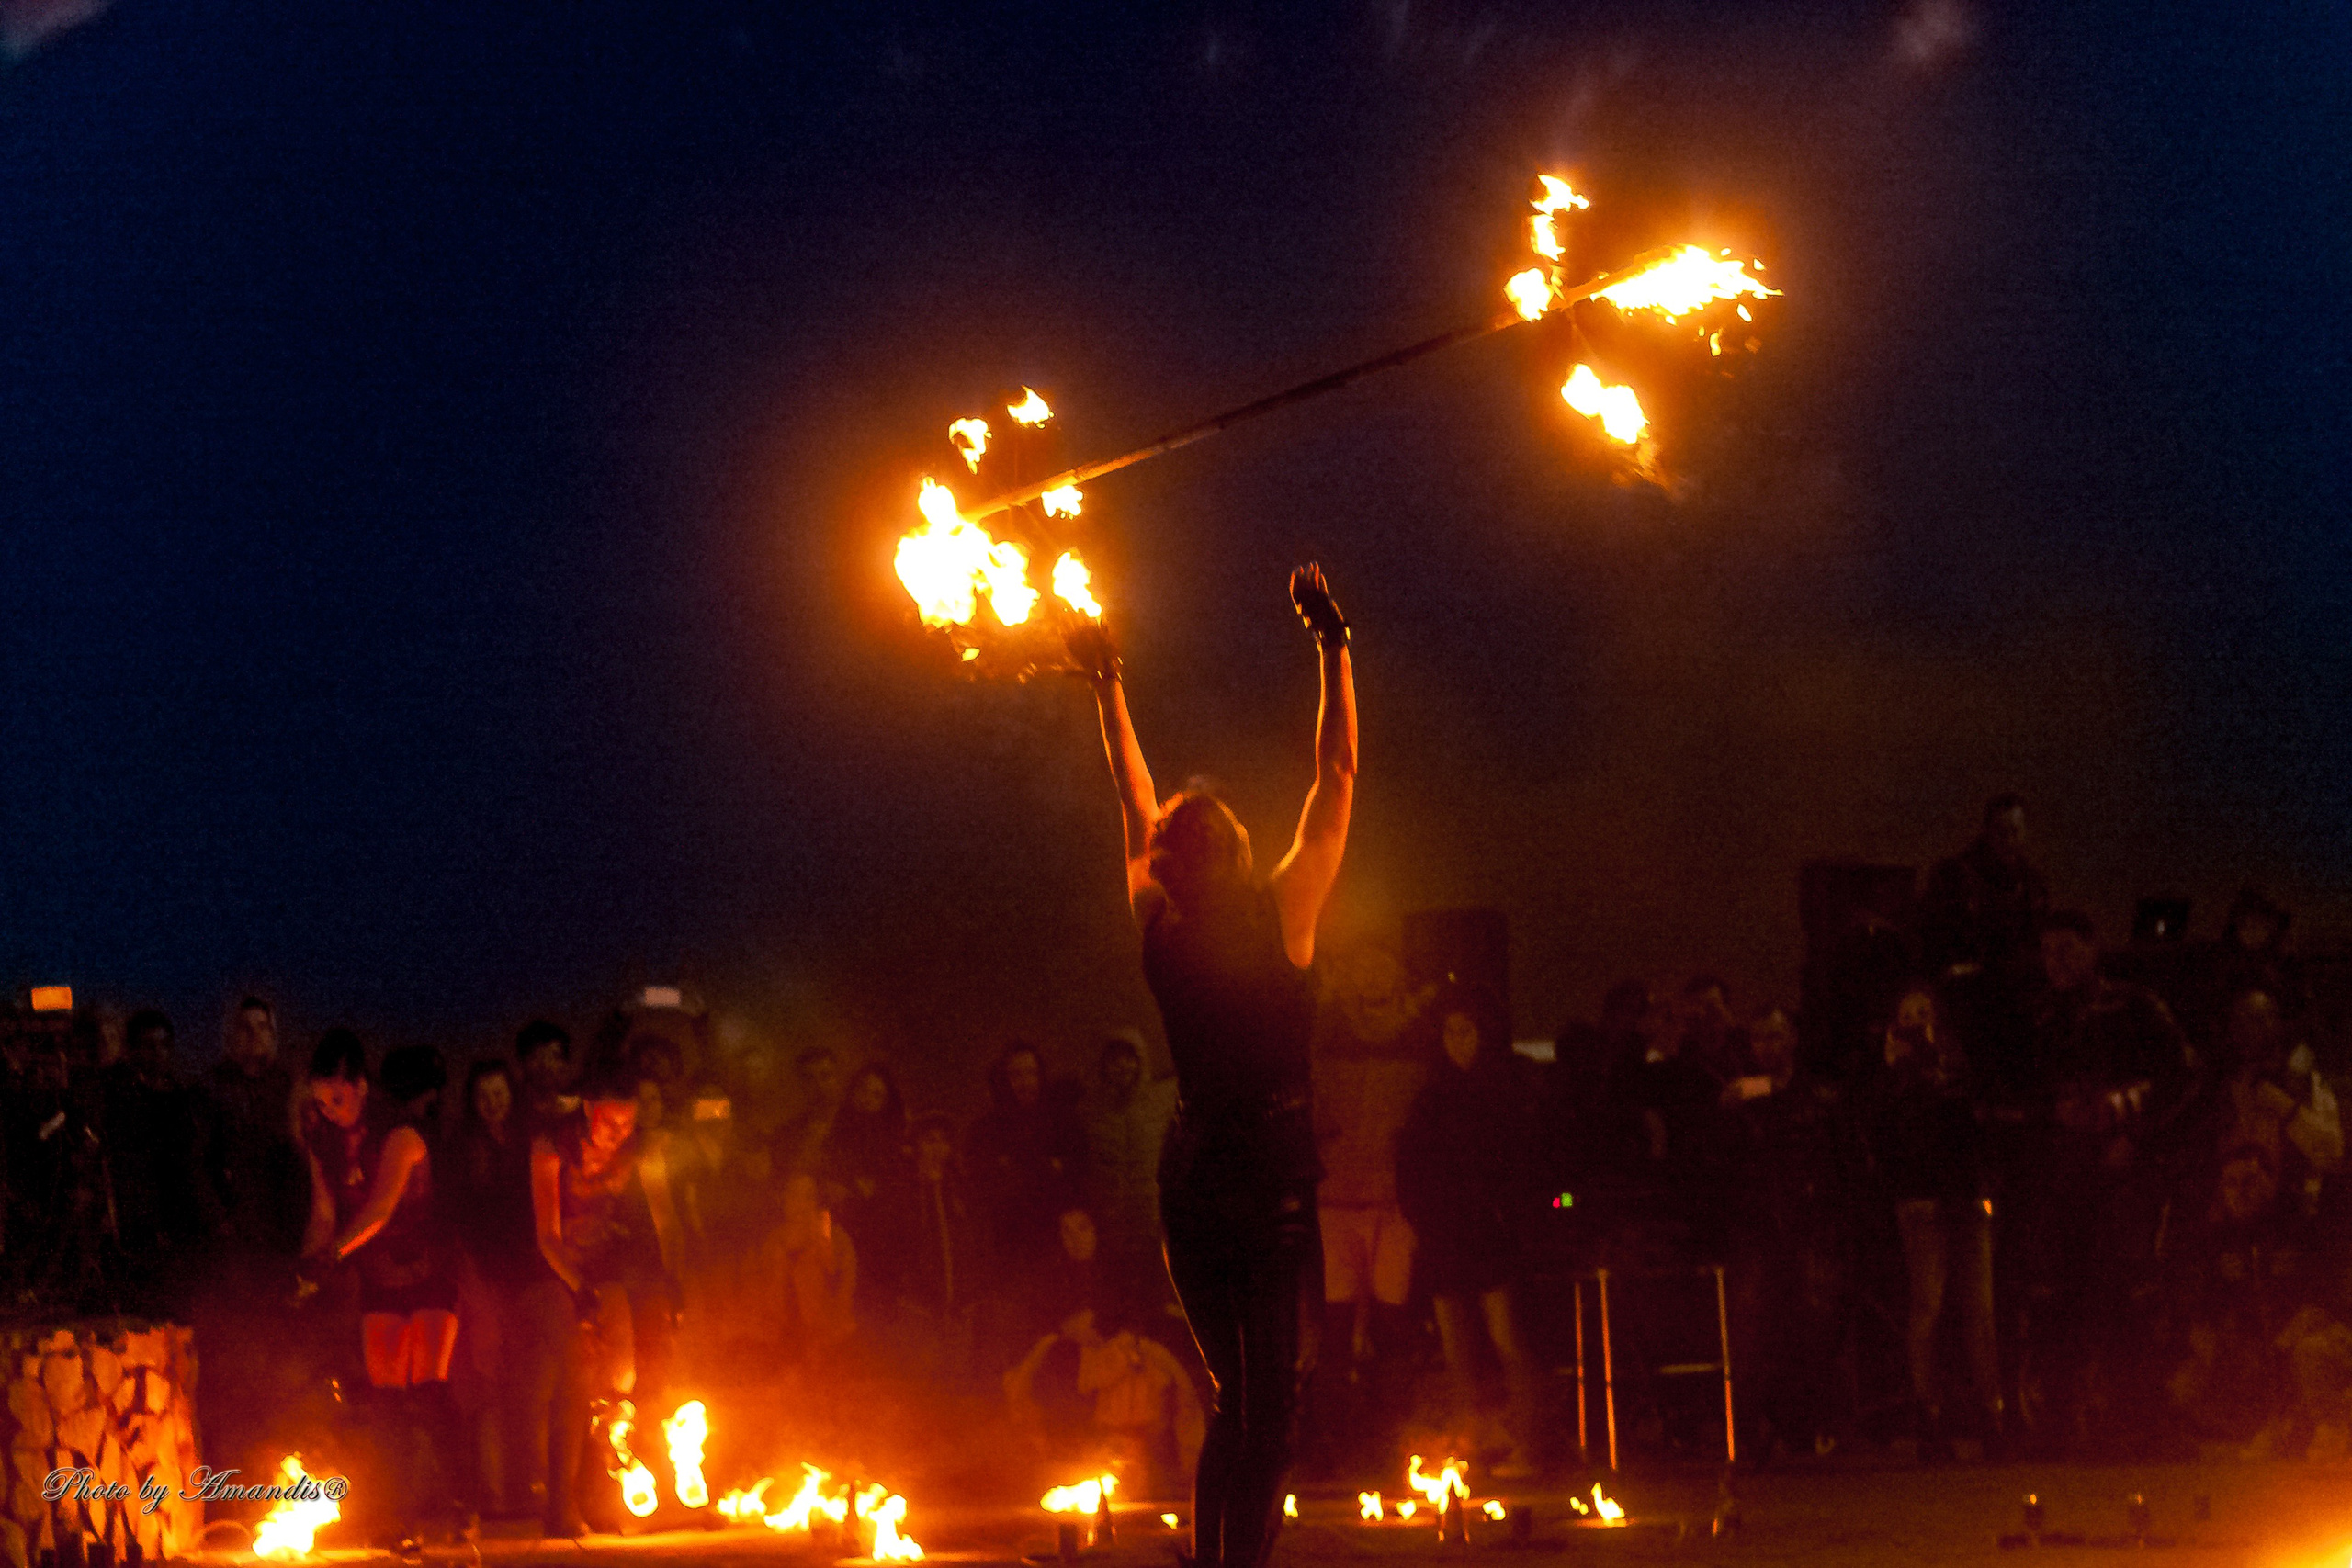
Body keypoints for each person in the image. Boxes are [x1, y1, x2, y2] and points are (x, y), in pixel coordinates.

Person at [1069, 561, 1354, 1568]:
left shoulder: (1158, 924)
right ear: (1223, 850)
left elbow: (1128, 790)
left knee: (1249, 1397)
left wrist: (1107, 685)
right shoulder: (1284, 913)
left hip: (1193, 1180)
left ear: (1170, 860)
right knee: (1264, 1405)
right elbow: (1336, 781)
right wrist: (1333, 647)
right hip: (1262, 1183)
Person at [299, 1033, 467, 1548]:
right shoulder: (322, 1142)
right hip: (378, 1275)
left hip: (429, 1265)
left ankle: (459, 1504)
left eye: (339, 1099)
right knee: (387, 1400)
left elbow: (380, 1208)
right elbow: (327, 1213)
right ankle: (399, 1516)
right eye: (322, 1102)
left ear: (363, 1088)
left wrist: (336, 1254)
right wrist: (307, 1267)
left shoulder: (399, 1134)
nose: (330, 1111)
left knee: (430, 1389)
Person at [525, 1061, 679, 1537]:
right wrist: (579, 1287)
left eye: (628, 1123)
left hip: (605, 1266)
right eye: (611, 1123)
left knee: (621, 1380)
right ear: (589, 1110)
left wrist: (673, 1278)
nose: (619, 1133)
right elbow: (547, 1235)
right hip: (553, 1269)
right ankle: (561, 1505)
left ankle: (608, 1495)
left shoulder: (638, 1150)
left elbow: (666, 1219)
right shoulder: (551, 1147)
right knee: (576, 1375)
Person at [1394, 992, 1542, 1478]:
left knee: (1507, 1340)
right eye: (1450, 1032)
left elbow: (1524, 1162)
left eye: (1468, 1031)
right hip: (1442, 1233)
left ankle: (1529, 1444)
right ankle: (1473, 1442)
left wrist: (1509, 1213)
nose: (1458, 1042)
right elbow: (1408, 1163)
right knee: (1457, 1349)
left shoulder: (1504, 1090)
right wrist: (1419, 1217)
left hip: (1488, 1231)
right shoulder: (1430, 1096)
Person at [1858, 987, 2003, 1461]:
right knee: (1929, 1306)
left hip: (1965, 1194)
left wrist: (1939, 1074)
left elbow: (1974, 1122)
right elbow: (1882, 1133)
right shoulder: (1891, 1079)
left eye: (1924, 1014)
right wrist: (1899, 1071)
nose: (1917, 1024)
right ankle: (1930, 1413)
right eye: (1907, 1017)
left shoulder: (1959, 1070)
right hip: (1920, 1199)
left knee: (1977, 1308)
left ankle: (1990, 1413)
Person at [1307, 942, 1428, 1478]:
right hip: (1336, 1199)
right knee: (1336, 1326)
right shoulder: (1324, 1033)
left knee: (1390, 1323)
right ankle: (1336, 1438)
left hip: (1392, 1201)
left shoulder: (1419, 1038)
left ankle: (1385, 1439)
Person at [448, 1058, 541, 1517]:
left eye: (499, 1094)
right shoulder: (466, 1149)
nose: (492, 1104)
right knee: (486, 1385)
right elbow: (461, 1218)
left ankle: (524, 1489)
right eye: (484, 1096)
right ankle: (493, 1494)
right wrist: (472, 1277)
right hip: (482, 1275)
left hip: (525, 1274)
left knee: (524, 1384)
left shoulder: (526, 1141)